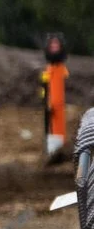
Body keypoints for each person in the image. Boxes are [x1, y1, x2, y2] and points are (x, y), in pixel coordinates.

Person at [42, 33, 70, 164]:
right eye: (52, 45)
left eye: (56, 45)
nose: (54, 47)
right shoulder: (48, 70)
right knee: (51, 127)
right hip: (51, 107)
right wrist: (45, 101)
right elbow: (44, 88)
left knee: (58, 126)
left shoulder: (61, 70)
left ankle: (59, 152)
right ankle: (53, 151)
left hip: (59, 107)